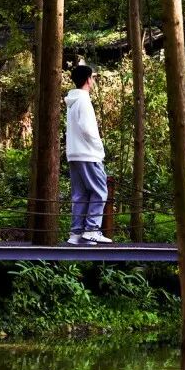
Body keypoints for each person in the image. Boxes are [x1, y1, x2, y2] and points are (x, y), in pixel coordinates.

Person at [65, 64, 113, 245]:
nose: (93, 81)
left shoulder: (72, 101)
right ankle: (92, 230)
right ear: (87, 79)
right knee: (100, 191)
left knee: (80, 195)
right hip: (88, 154)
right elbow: (87, 129)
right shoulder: (84, 101)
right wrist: (99, 147)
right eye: (92, 77)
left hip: (74, 154)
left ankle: (76, 233)